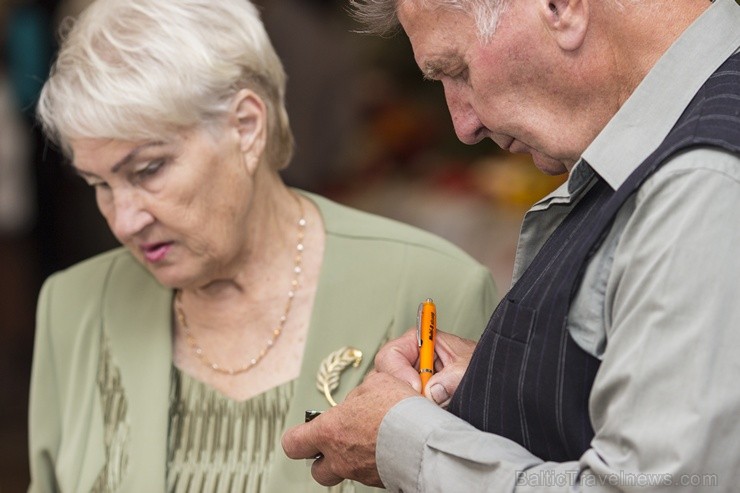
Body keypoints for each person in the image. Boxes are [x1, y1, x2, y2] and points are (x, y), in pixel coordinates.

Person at [27, 0, 499, 491]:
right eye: (99, 183)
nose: (124, 220)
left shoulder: (435, 288)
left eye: (148, 170)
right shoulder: (72, 307)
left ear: (246, 126)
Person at [282, 0, 740, 491]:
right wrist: (509, 376)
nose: (463, 125)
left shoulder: (704, 180)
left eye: (457, 70)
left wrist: (404, 442)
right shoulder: (684, 148)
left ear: (561, 8)